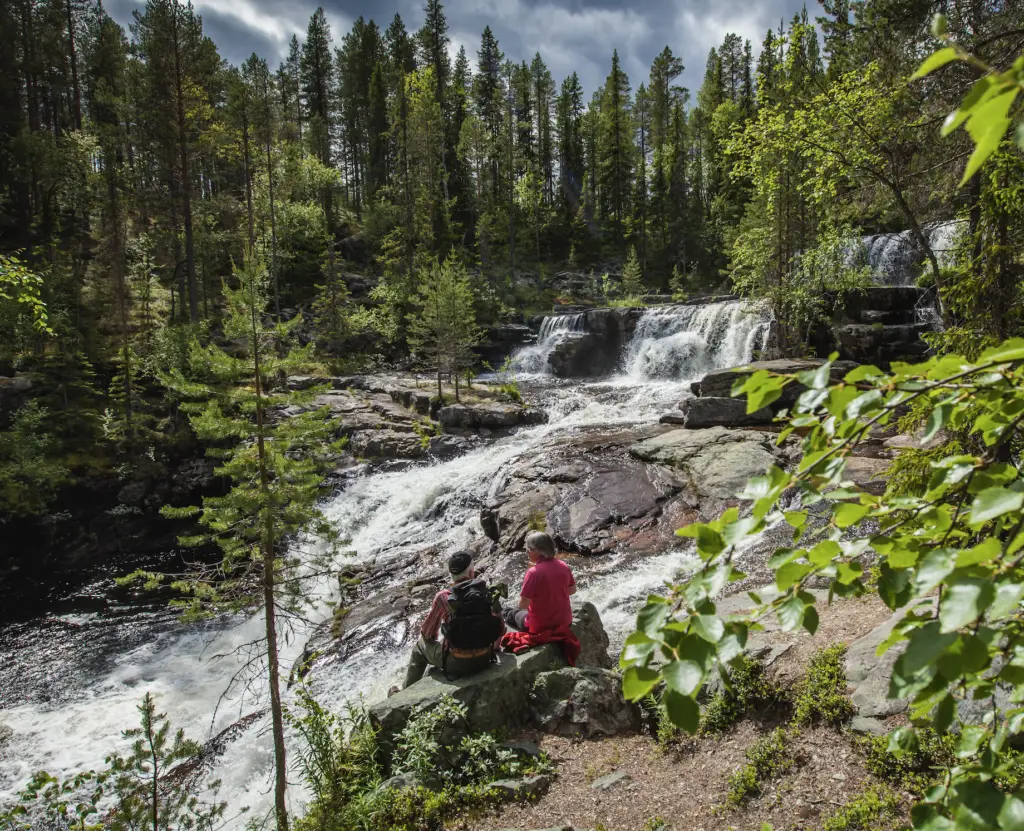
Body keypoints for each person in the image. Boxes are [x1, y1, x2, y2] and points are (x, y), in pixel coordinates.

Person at [401, 550, 505, 690]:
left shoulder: (444, 597)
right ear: (470, 572)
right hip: (486, 658)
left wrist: (442, 640)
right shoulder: (486, 591)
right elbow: (501, 627)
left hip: (457, 663)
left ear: (451, 574)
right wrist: (493, 647)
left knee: (419, 648)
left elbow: (427, 633)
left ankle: (406, 692)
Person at [503, 531, 576, 635]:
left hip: (540, 628)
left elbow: (523, 604)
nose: (527, 552)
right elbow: (572, 590)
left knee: (510, 613)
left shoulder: (533, 573)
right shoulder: (563, 565)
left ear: (538, 551)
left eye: (529, 549)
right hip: (565, 622)